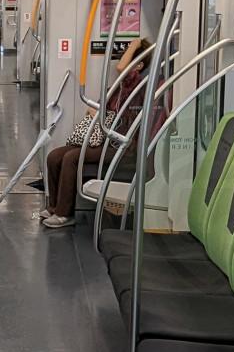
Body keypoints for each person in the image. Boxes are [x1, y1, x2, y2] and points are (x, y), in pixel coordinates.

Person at [40, 38, 155, 230]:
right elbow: (100, 108)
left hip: (121, 146)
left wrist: (136, 44)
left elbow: (121, 69)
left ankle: (64, 213)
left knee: (71, 158)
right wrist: (96, 112)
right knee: (54, 156)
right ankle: (53, 207)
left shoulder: (137, 87)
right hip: (104, 139)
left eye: (128, 56)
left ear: (139, 65)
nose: (121, 62)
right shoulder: (117, 88)